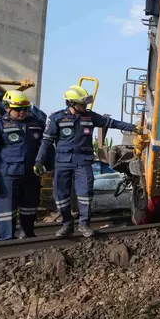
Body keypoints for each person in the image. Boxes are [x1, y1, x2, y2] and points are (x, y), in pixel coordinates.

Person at [34, 85, 143, 238]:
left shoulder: (90, 117)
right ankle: (67, 224)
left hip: (83, 162)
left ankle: (84, 224)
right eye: (82, 104)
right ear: (71, 103)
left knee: (85, 193)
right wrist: (39, 160)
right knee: (61, 195)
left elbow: (111, 123)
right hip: (62, 162)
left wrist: (133, 127)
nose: (85, 106)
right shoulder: (56, 118)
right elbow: (46, 141)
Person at [0, 90, 45, 240]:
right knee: (6, 210)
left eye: (25, 109)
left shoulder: (37, 123)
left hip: (31, 175)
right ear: (7, 107)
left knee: (30, 207)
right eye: (18, 109)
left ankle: (28, 235)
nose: (22, 112)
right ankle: (6, 241)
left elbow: (47, 146)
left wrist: (46, 164)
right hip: (6, 176)